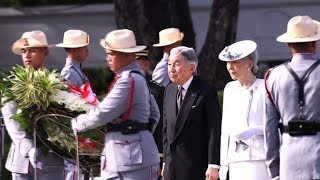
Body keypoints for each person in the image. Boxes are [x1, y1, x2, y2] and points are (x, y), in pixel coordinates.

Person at [71, 29, 160, 180]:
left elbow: (102, 113)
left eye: (111, 54)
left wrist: (74, 124)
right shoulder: (133, 77)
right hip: (128, 155)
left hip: (132, 158)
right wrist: (142, 134)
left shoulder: (128, 80)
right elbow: (154, 114)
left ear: (127, 54)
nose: (107, 58)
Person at [2, 30, 65, 180]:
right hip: (20, 159)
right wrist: (27, 147)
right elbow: (10, 118)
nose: (27, 55)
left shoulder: (57, 83)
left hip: (50, 158)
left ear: (45, 52)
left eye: (33, 50)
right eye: (24, 51)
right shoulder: (12, 84)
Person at [264, 15, 320, 180]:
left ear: (288, 44)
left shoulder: (272, 76)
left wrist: (273, 168)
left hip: (289, 160)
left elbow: (269, 129)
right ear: (314, 43)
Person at [162, 46, 221, 180]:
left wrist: (213, 164)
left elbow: (214, 129)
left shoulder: (206, 90)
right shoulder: (169, 90)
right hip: (172, 166)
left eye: (177, 64)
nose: (171, 69)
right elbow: (166, 130)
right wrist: (165, 161)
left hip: (195, 164)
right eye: (169, 64)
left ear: (192, 68)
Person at [218, 40, 268, 180]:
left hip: (260, 157)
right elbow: (225, 129)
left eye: (236, 62)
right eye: (228, 63)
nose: (230, 67)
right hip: (236, 158)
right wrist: (223, 164)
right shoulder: (230, 88)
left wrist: (255, 130)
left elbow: (274, 123)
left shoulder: (265, 87)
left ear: (250, 64)